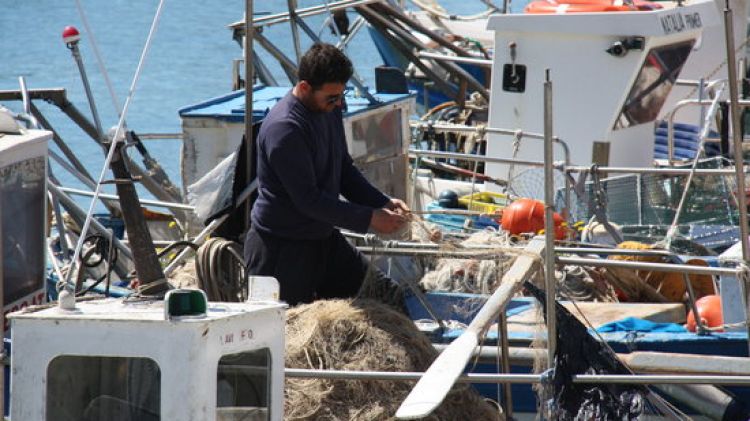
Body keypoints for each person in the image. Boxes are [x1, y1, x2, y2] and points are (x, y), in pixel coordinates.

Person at [244, 42, 410, 306]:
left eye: (341, 96)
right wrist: (369, 219)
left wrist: (381, 202)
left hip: (321, 239)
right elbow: (308, 199)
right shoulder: (285, 129)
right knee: (287, 334)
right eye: (332, 98)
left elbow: (343, 169)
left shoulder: (328, 110)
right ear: (305, 87)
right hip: (281, 250)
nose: (338, 104)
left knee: (387, 296)